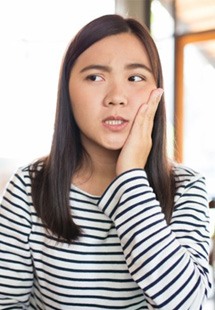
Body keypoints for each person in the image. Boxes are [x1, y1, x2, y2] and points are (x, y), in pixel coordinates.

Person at [0, 14, 211, 310]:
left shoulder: (187, 188)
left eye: (135, 77)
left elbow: (188, 305)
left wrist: (131, 178)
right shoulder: (28, 188)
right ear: (67, 91)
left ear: (157, 91)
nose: (116, 97)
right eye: (95, 77)